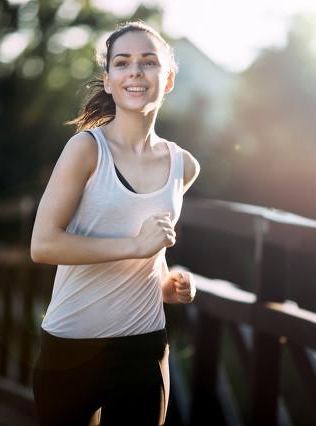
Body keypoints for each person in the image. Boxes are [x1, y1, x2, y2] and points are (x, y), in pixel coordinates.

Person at [30, 21, 200, 426]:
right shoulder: (86, 150)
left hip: (143, 347)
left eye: (148, 62)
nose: (135, 71)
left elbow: (151, 251)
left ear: (168, 79)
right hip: (70, 344)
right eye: (122, 63)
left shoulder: (184, 166)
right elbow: (43, 246)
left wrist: (169, 282)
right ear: (109, 81)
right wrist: (134, 246)